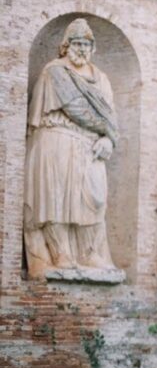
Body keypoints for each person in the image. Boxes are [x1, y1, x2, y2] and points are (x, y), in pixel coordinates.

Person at [23, 18, 120, 278]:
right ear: (66, 46)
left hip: (89, 148)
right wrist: (108, 131)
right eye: (77, 43)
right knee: (56, 199)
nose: (82, 49)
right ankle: (60, 254)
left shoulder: (101, 79)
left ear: (93, 47)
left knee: (93, 199)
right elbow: (76, 108)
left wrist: (109, 139)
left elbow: (111, 117)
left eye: (87, 44)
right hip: (55, 141)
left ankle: (90, 254)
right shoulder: (55, 71)